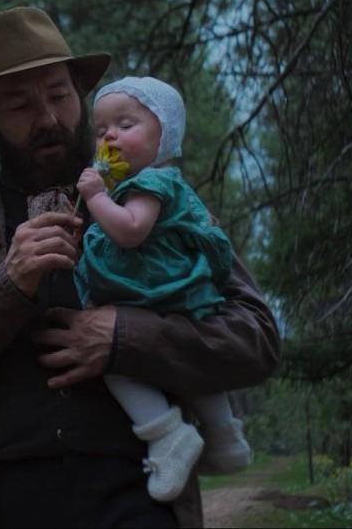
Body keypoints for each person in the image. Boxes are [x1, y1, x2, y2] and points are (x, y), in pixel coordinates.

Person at [0, 6, 280, 528]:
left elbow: (256, 339)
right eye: (19, 105)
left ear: (81, 95)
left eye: (59, 95)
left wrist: (125, 338)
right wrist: (5, 285)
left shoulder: (158, 202)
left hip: (140, 507)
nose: (47, 118)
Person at [76, 76, 253, 503]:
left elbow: (130, 231)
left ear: (164, 136)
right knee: (194, 365)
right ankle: (225, 437)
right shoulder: (166, 184)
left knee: (115, 361)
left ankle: (166, 434)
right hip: (180, 296)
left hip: (151, 291)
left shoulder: (150, 183)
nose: (109, 137)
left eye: (125, 125)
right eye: (101, 130)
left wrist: (97, 198)